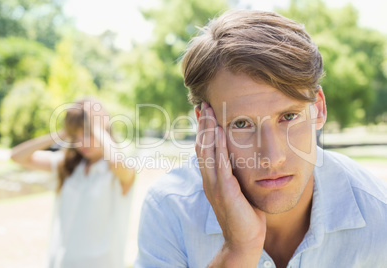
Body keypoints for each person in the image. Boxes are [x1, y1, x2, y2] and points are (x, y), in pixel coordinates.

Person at [135, 10, 387, 268]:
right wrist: (238, 250)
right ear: (205, 127)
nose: (272, 157)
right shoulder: (169, 211)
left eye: (289, 116)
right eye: (242, 124)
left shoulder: (381, 217)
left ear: (319, 108)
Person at [11, 98, 136, 268]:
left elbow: (115, 161)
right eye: (75, 136)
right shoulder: (68, 165)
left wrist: (98, 127)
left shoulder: (119, 171)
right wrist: (62, 133)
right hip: (62, 262)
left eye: (87, 134)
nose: (81, 142)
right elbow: (17, 157)